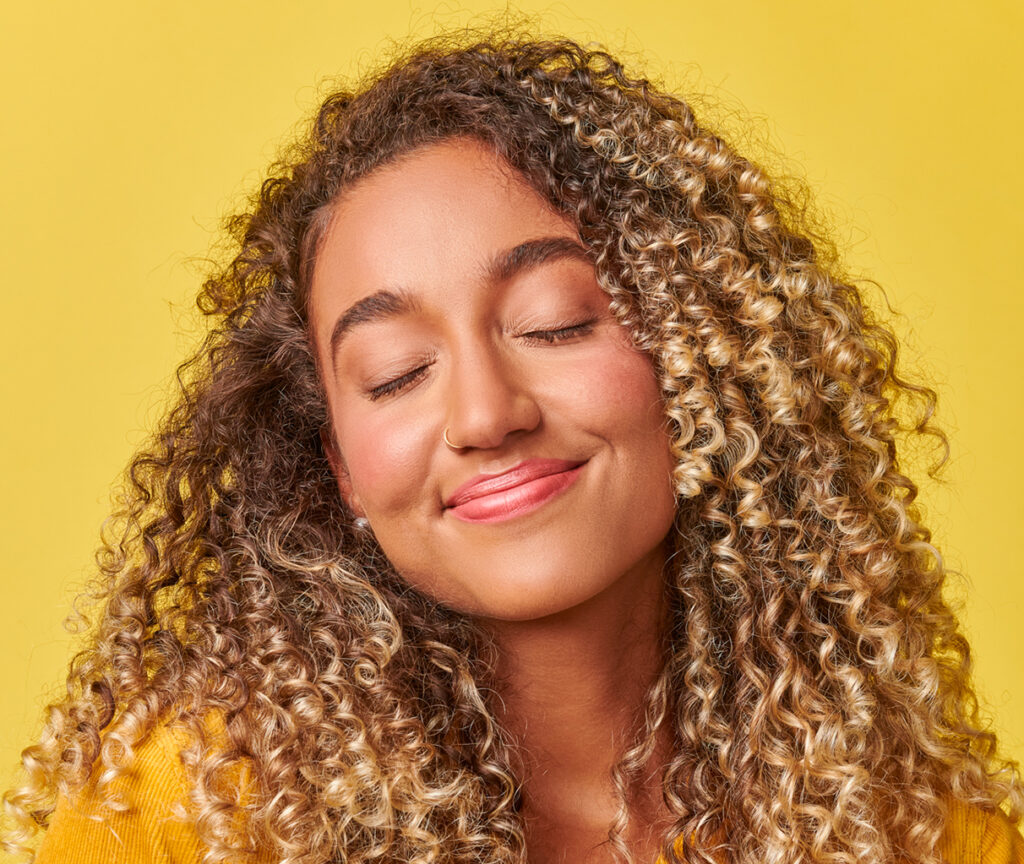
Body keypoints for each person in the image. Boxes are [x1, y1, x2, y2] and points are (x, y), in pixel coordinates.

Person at [3, 33, 1022, 864]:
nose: (486, 414)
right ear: (343, 470)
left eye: (555, 321)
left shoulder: (917, 834)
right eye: (398, 372)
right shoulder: (185, 825)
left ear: (697, 358)